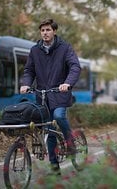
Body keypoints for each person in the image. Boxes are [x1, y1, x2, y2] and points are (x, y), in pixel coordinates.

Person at [20, 18, 81, 175]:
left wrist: (67, 83)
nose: (45, 33)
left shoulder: (65, 48)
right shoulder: (35, 50)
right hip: (42, 96)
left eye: (48, 30)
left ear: (54, 31)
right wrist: (26, 84)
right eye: (42, 30)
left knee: (59, 116)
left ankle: (70, 141)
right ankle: (55, 168)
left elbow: (74, 66)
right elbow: (29, 71)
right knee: (49, 130)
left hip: (59, 93)